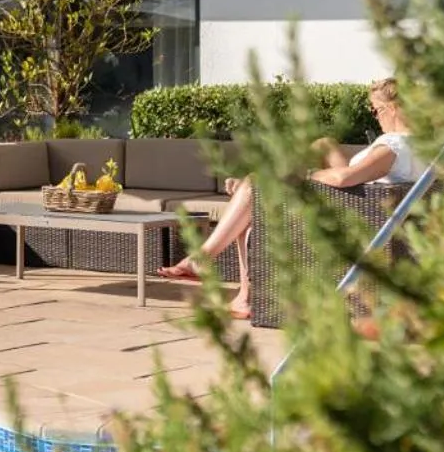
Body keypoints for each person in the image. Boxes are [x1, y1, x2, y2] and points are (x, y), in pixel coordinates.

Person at [157, 77, 418, 319]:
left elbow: (342, 179)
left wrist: (306, 176)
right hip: (365, 206)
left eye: (375, 110)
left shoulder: (393, 145)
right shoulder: (420, 146)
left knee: (250, 192)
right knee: (324, 144)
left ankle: (207, 261)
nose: (375, 117)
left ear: (392, 108)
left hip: (347, 213)